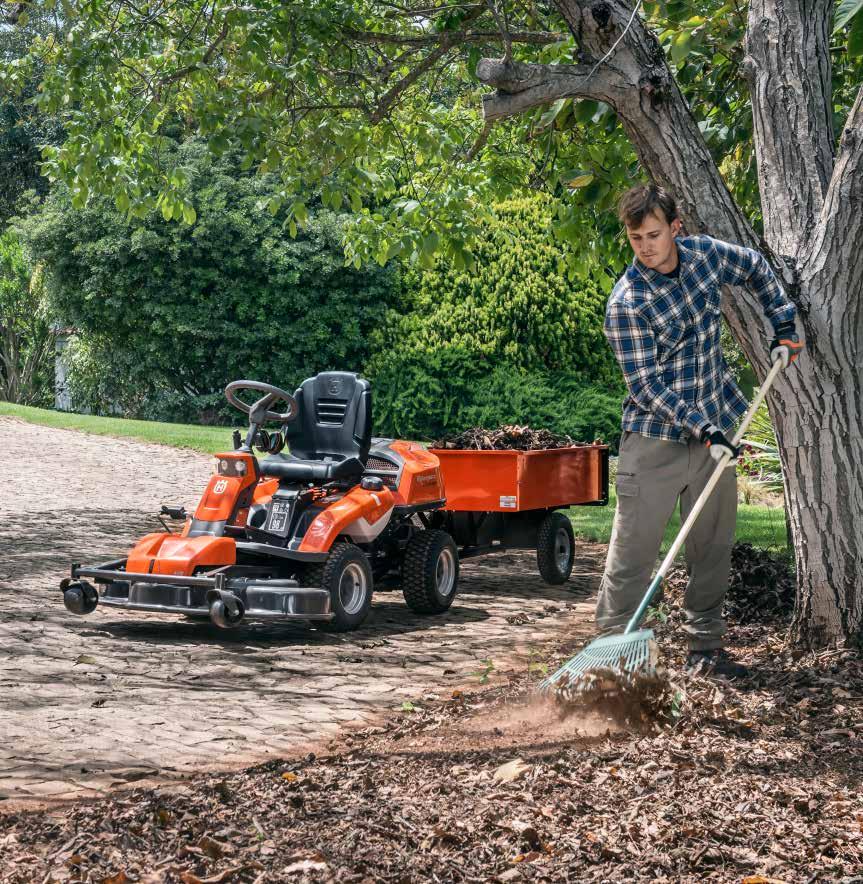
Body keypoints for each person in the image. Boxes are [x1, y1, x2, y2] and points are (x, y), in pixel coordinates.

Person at [596, 184, 803, 678]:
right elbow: (647, 387)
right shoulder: (627, 303)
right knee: (633, 556)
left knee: (711, 546)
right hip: (655, 440)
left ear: (675, 229)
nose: (645, 246)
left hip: (714, 432)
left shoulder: (705, 256)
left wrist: (783, 323)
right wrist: (704, 427)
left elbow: (754, 266)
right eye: (635, 237)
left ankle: (705, 650)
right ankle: (610, 664)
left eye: (653, 234)